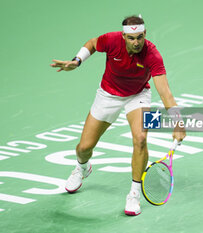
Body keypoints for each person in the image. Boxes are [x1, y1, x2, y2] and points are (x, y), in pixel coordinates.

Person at [50, 15, 186, 216]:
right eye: (131, 38)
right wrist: (77, 61)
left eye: (140, 37)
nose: (136, 42)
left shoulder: (152, 55)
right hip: (108, 94)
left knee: (140, 139)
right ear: (123, 36)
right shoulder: (111, 40)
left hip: (137, 95)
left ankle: (134, 193)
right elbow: (93, 43)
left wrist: (177, 122)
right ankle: (82, 168)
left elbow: (165, 91)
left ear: (144, 34)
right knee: (84, 147)